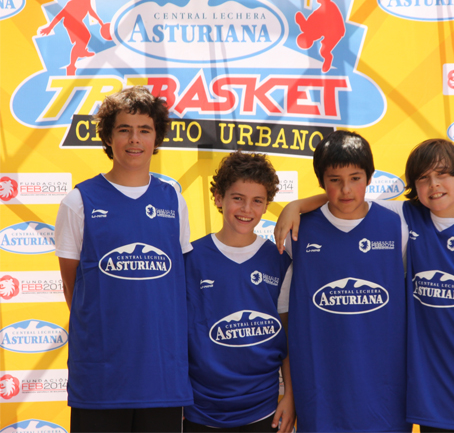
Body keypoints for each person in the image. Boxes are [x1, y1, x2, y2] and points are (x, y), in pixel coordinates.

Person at [275, 138, 454, 433]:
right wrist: (296, 205)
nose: (434, 185)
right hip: (433, 402)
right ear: (414, 186)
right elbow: (349, 200)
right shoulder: (406, 217)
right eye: (423, 178)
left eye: (442, 174)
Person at [55, 86, 193, 432]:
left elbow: (178, 285)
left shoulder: (173, 199)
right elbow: (73, 289)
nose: (135, 139)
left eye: (145, 130)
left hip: (161, 377)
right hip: (100, 379)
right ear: (108, 136)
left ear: (156, 137)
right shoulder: (78, 201)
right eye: (124, 129)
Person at [278, 130, 410, 432]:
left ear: (370, 177)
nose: (346, 189)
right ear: (321, 182)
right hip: (321, 388)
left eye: (355, 178)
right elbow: (284, 314)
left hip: (384, 389)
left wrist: (296, 203)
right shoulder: (298, 231)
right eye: (335, 180)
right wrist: (294, 206)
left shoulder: (397, 225)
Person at [183, 151, 295, 433]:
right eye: (237, 198)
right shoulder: (191, 258)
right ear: (218, 198)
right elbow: (175, 336)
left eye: (257, 201)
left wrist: (290, 395)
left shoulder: (279, 260)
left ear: (266, 205)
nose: (247, 209)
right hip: (200, 409)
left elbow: (287, 334)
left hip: (263, 408)